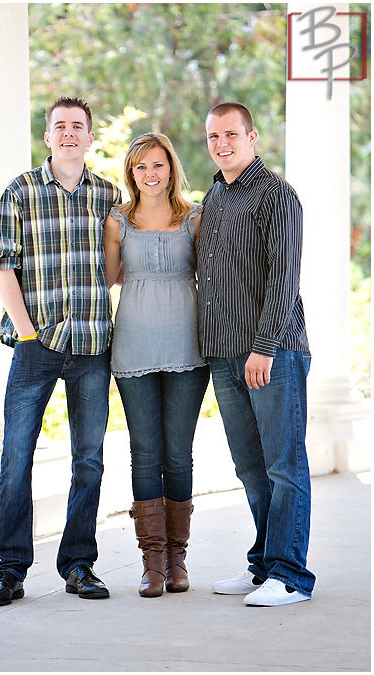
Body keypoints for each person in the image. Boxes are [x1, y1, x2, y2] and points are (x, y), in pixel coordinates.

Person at [0, 96, 121, 606]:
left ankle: (79, 565)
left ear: (89, 138)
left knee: (89, 458)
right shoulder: (20, 192)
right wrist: (26, 332)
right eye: (59, 125)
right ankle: (10, 569)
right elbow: (1, 264)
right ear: (48, 137)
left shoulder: (108, 195)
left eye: (77, 126)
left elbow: (117, 267)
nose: (68, 133)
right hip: (35, 345)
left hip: (91, 345)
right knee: (16, 456)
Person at [198, 102, 314, 606]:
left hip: (272, 353)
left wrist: (263, 348)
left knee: (284, 465)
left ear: (253, 137)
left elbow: (283, 280)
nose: (221, 144)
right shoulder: (215, 195)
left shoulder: (278, 195)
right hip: (224, 356)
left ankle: (290, 576)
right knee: (250, 467)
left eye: (231, 134)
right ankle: (264, 563)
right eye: (213, 136)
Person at [103, 133, 210, 597]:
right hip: (134, 346)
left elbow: (213, 276)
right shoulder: (117, 221)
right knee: (144, 453)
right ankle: (152, 563)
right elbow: (108, 278)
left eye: (159, 165)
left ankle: (177, 559)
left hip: (189, 346)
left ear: (171, 169)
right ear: (132, 173)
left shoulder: (194, 218)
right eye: (142, 167)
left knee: (178, 453)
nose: (151, 174)